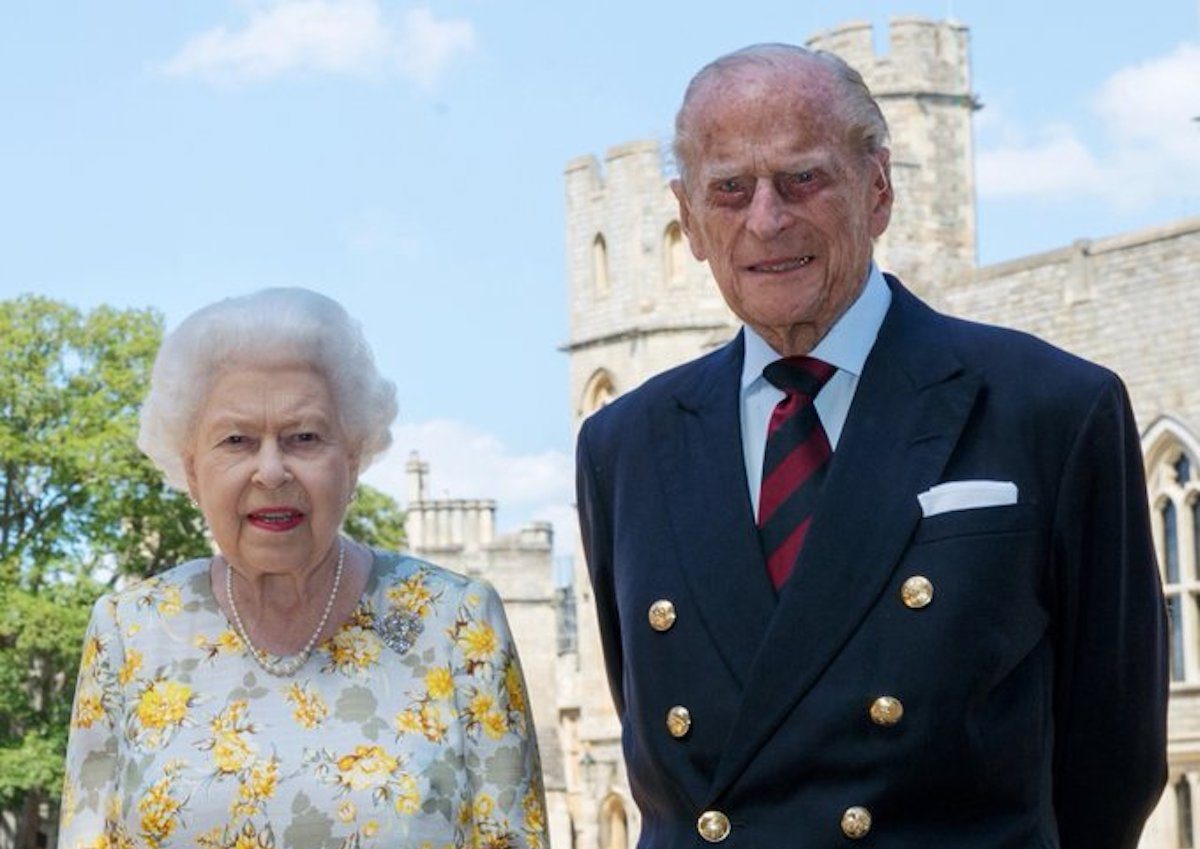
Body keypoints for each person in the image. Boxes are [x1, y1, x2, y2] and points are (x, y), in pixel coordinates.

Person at [575, 44, 1167, 848]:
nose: (766, 219)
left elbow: (1113, 763)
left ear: (878, 190)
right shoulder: (625, 444)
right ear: (689, 222)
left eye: (802, 179)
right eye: (730, 190)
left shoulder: (1052, 409)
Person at [58, 288, 547, 849]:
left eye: (304, 438)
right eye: (237, 440)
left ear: (353, 459)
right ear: (192, 471)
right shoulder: (128, 631)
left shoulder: (459, 624)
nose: (271, 470)